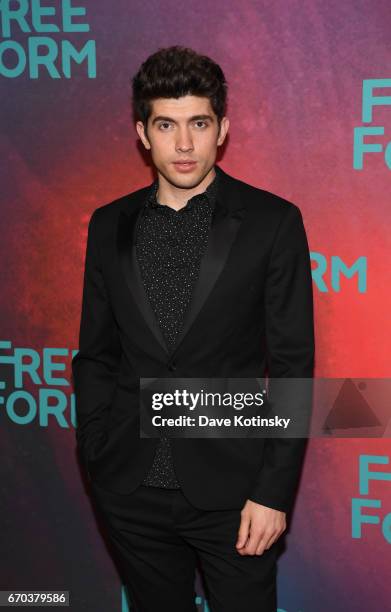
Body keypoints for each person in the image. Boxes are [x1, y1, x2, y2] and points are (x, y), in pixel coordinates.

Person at [71, 45, 315, 612]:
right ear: (142, 132)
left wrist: (273, 492)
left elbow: (292, 366)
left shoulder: (273, 222)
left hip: (235, 495)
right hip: (128, 488)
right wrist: (96, 450)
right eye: (166, 125)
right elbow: (97, 354)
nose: (183, 144)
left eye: (198, 123)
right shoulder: (108, 225)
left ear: (222, 129)